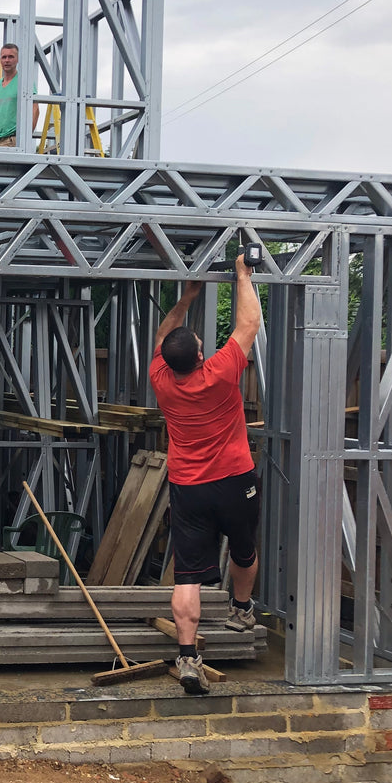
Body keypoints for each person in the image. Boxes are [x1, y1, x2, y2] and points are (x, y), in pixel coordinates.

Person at [150, 255, 262, 695]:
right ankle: (240, 608)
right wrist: (242, 275)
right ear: (200, 355)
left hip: (188, 486)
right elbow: (248, 323)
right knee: (244, 545)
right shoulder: (220, 372)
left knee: (188, 576)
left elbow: (163, 335)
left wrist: (188, 297)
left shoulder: (162, 379)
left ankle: (187, 656)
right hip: (235, 479)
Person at [0, 42, 38, 147]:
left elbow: (35, 110)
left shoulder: (25, 82)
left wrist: (24, 138)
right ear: (0, 60)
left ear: (17, 59)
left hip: (13, 139)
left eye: (11, 57)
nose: (7, 60)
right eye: (4, 57)